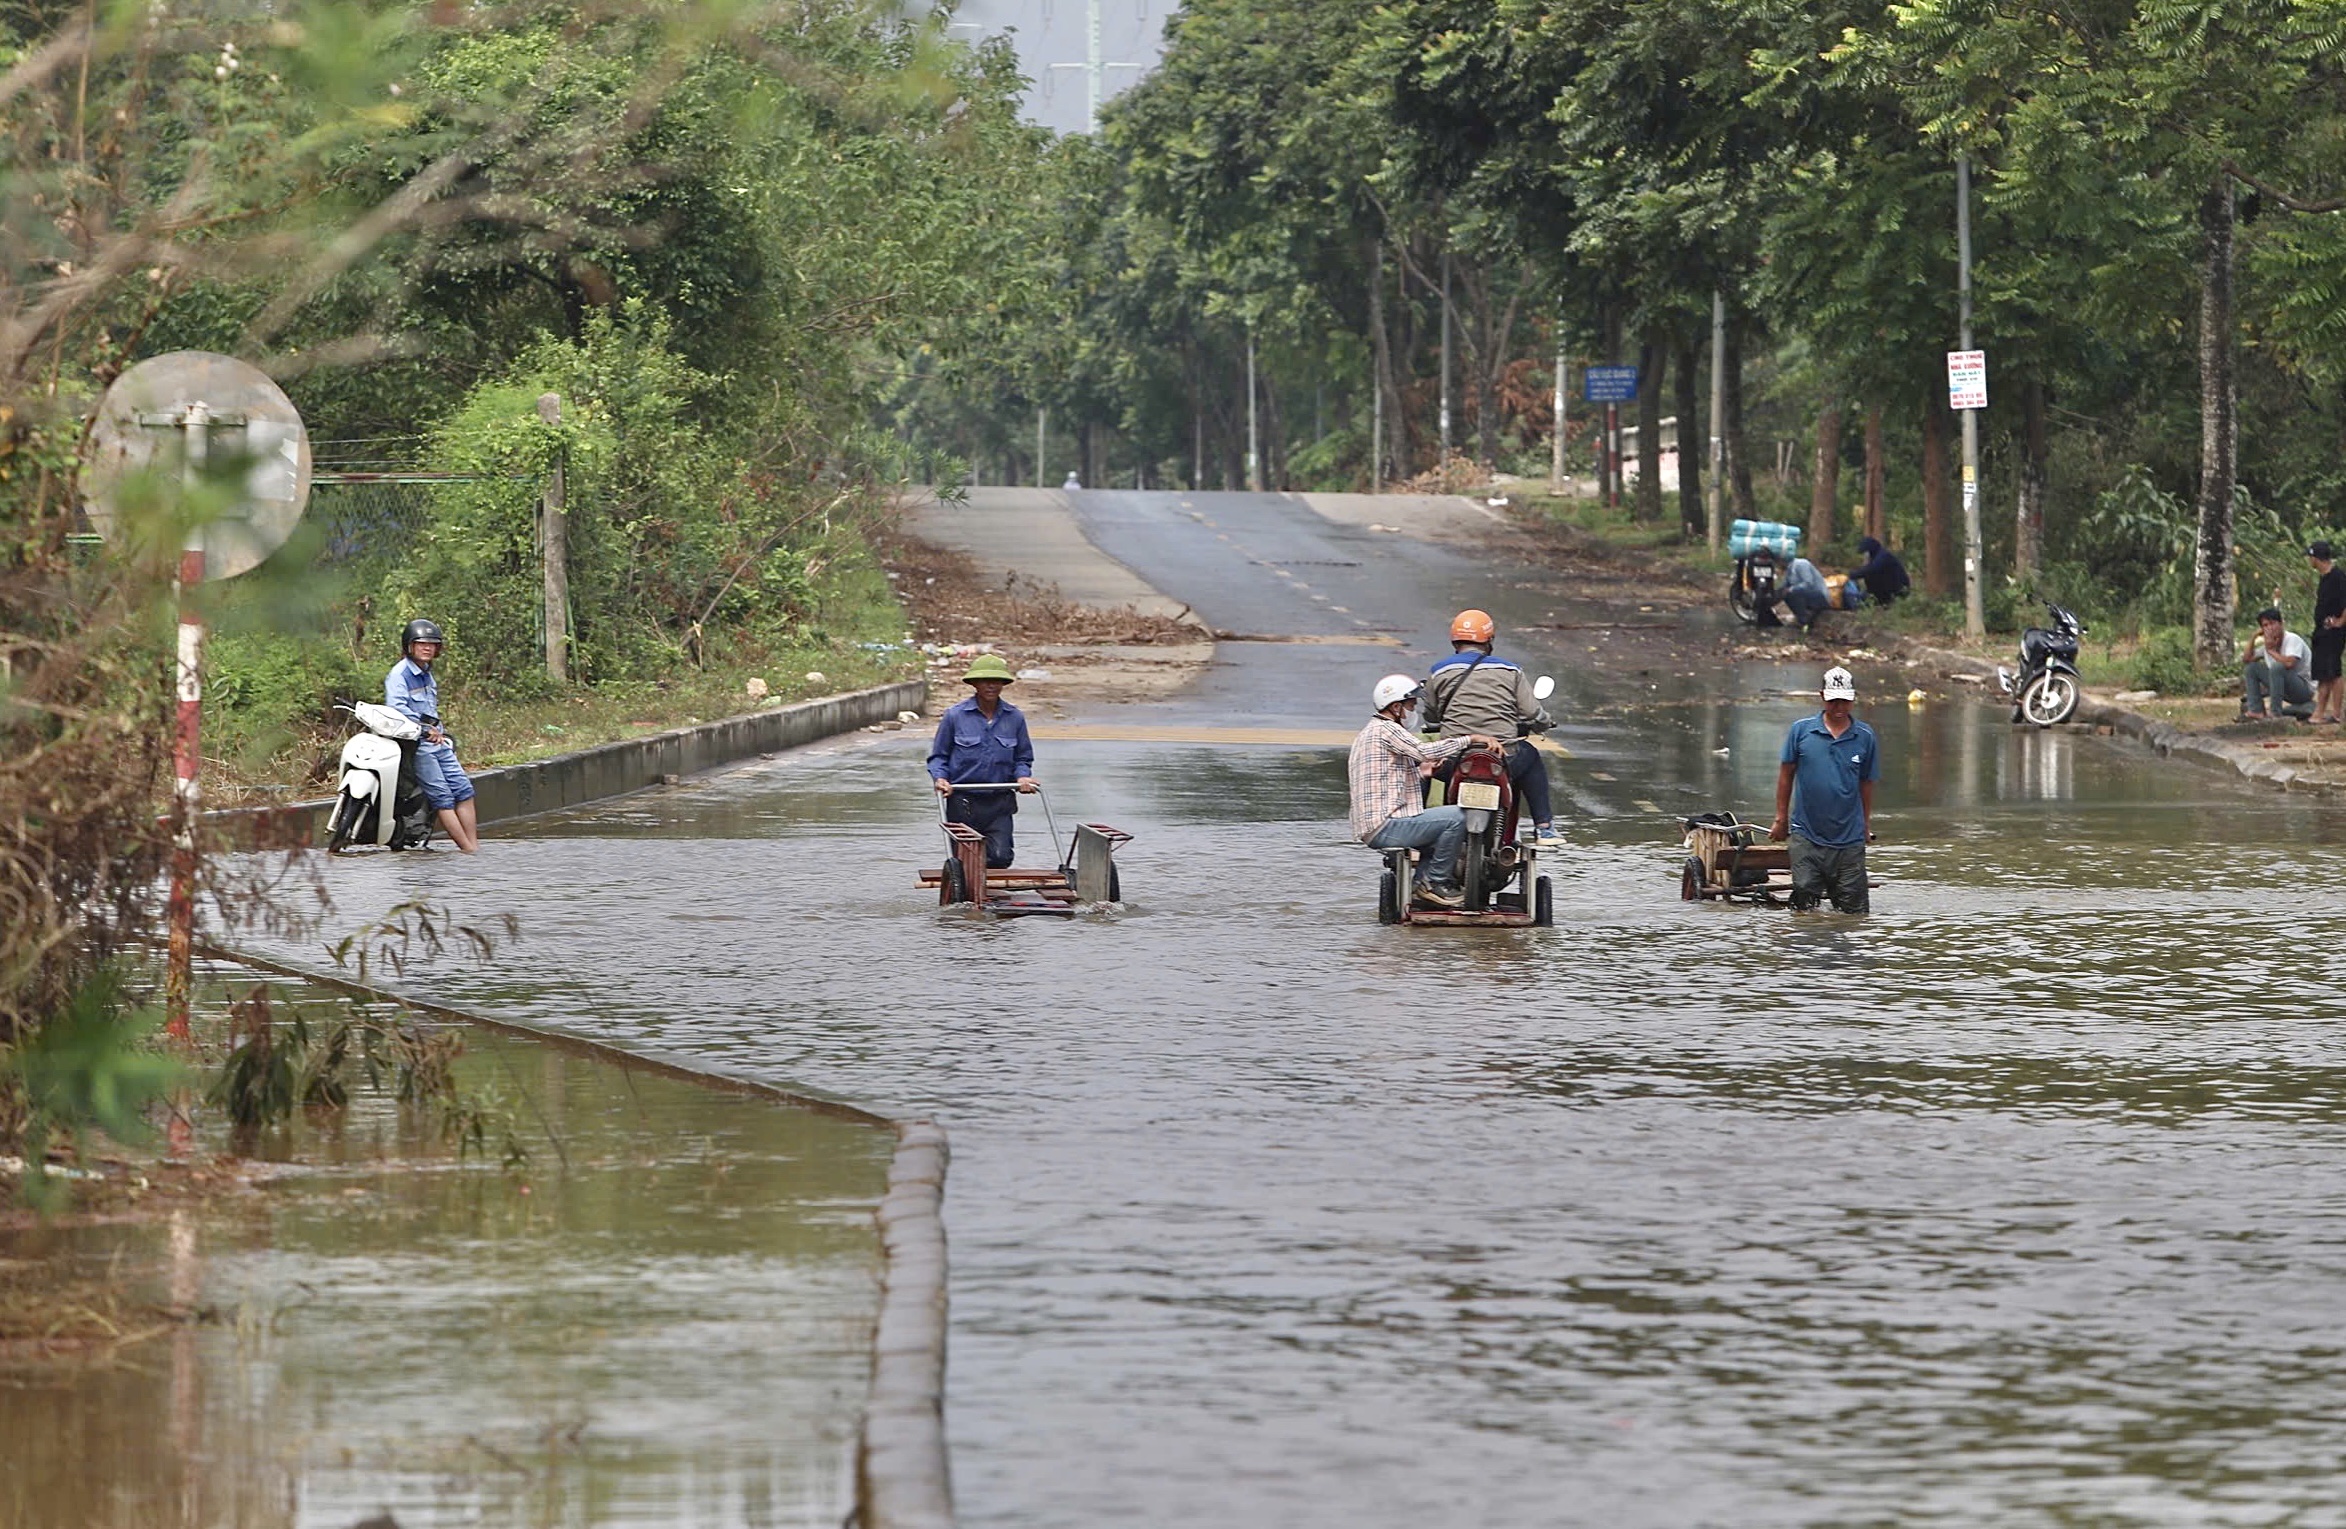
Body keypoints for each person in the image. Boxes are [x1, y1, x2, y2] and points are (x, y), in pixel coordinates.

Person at [1349, 674, 1500, 908]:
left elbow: (1385, 779)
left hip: (1375, 824)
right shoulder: (1387, 730)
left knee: (1439, 835)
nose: (1414, 710)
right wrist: (1470, 739)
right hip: (1386, 824)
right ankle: (1435, 882)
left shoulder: (1370, 732)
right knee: (1459, 817)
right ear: (1397, 707)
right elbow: (1423, 751)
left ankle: (1422, 889)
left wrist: (1422, 773)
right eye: (1411, 705)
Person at [1421, 608, 1562, 847]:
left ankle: (1414, 821)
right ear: (1489, 640)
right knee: (1531, 756)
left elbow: (1431, 715)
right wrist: (1544, 722)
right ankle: (1544, 827)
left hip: (1454, 757)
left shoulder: (1439, 671)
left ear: (1455, 640)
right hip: (1502, 756)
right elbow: (1531, 712)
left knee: (1421, 763)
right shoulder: (1510, 670)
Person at [1769, 665, 1878, 914]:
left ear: (1852, 699)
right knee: (1805, 896)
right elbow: (1786, 774)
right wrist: (1780, 819)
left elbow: (1867, 783)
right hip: (1807, 833)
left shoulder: (1864, 736)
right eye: (1833, 702)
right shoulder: (1802, 731)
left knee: (1854, 912)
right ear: (1822, 697)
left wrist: (1865, 825)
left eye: (1844, 702)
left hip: (1849, 837)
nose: (1839, 708)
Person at [927, 653, 1037, 869]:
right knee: (965, 860)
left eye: (997, 681)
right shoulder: (955, 716)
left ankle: (985, 887)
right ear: (975, 684)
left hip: (999, 801)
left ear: (1003, 684)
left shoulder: (1015, 717)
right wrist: (940, 779)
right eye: (986, 681)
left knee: (1001, 857)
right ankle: (971, 888)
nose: (991, 686)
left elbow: (1023, 757)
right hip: (963, 801)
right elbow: (939, 756)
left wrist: (1023, 776)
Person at [384, 618, 480, 853]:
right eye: (421, 643)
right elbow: (397, 708)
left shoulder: (427, 674)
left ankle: (474, 848)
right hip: (418, 745)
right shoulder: (400, 674)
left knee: (464, 791)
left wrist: (438, 732)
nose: (427, 648)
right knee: (443, 798)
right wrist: (427, 730)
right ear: (409, 646)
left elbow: (431, 710)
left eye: (432, 644)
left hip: (438, 741)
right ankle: (466, 848)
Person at [2240, 605, 2315, 721]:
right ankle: (2256, 710)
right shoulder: (2268, 644)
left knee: (2277, 667)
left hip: (2303, 689)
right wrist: (2253, 637)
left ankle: (2275, 713)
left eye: (2272, 623)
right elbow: (2246, 659)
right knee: (2252, 668)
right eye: (2265, 625)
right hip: (2283, 688)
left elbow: (2290, 663)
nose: (2270, 628)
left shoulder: (2292, 639)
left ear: (2280, 624)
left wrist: (2271, 651)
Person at [2310, 541, 2346, 724]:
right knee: (2323, 671)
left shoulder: (2338, 576)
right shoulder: (2324, 578)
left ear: (2316, 557)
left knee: (2334, 671)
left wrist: (2340, 621)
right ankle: (2320, 711)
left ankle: (2337, 712)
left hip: (2333, 631)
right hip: (2322, 631)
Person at [1849, 536, 1911, 606]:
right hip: (1889, 587)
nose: (1866, 554)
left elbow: (1872, 570)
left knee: (1870, 575)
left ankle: (1880, 600)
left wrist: (1853, 575)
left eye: (1866, 551)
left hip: (1897, 590)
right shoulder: (1877, 556)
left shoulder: (1883, 556)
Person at [1782, 555, 1830, 631]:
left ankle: (1804, 620)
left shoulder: (1801, 564)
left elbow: (1808, 583)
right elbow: (1784, 586)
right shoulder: (1789, 569)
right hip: (1807, 596)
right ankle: (1801, 617)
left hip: (1819, 596)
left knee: (1792, 593)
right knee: (1785, 594)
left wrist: (1791, 589)